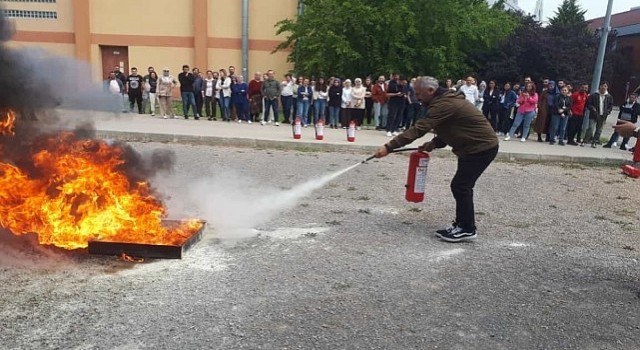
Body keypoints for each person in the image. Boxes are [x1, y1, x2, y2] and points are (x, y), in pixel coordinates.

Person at [373, 76, 498, 243]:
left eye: (418, 93)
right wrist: (434, 143)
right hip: (471, 147)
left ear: (431, 91)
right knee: (461, 186)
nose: (417, 97)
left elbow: (419, 128)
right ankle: (461, 225)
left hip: (481, 148)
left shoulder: (444, 104)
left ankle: (467, 229)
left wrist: (389, 147)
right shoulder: (443, 101)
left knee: (461, 186)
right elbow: (453, 128)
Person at [584, 82, 614, 148]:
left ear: (607, 87)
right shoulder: (594, 95)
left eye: (605, 86)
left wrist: (608, 111)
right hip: (594, 114)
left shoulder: (609, 96)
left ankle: (594, 142)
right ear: (600, 86)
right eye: (602, 86)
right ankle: (585, 140)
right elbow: (588, 104)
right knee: (591, 128)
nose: (603, 87)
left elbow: (610, 106)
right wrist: (592, 108)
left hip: (603, 116)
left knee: (599, 130)